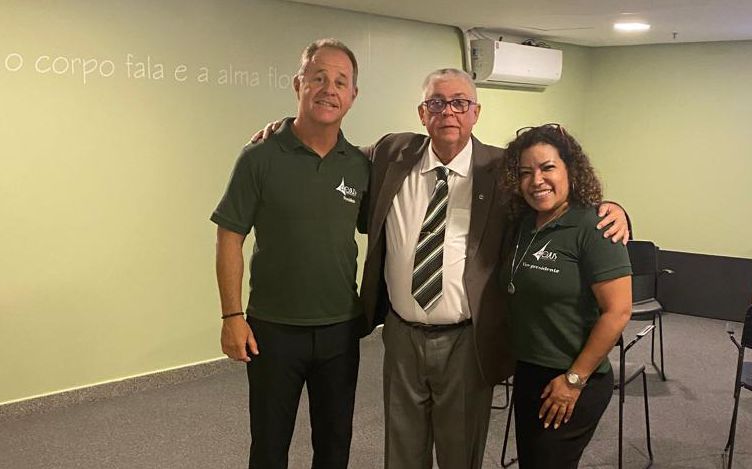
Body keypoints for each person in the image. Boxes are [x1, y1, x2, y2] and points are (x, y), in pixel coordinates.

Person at [250, 68, 630, 469]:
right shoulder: (391, 153)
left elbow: (556, 200)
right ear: (422, 112)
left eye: (460, 103)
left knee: (459, 454)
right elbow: (331, 155)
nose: (448, 112)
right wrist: (290, 131)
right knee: (402, 453)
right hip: (400, 335)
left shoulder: (501, 170)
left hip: (467, 340)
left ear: (476, 112)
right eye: (436, 103)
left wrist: (612, 210)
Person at [210, 38, 368, 469]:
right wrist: (231, 316)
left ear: (353, 95)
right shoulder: (258, 158)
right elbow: (229, 236)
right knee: (269, 446)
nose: (329, 89)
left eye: (340, 82)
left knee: (335, 445)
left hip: (340, 329)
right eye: (318, 78)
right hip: (272, 330)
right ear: (299, 84)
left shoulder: (359, 165)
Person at [499, 124, 632, 469]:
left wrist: (574, 381)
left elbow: (618, 312)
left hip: (574, 377)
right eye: (525, 172)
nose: (536, 180)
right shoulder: (523, 223)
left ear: (571, 170)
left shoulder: (595, 227)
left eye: (548, 168)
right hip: (530, 370)